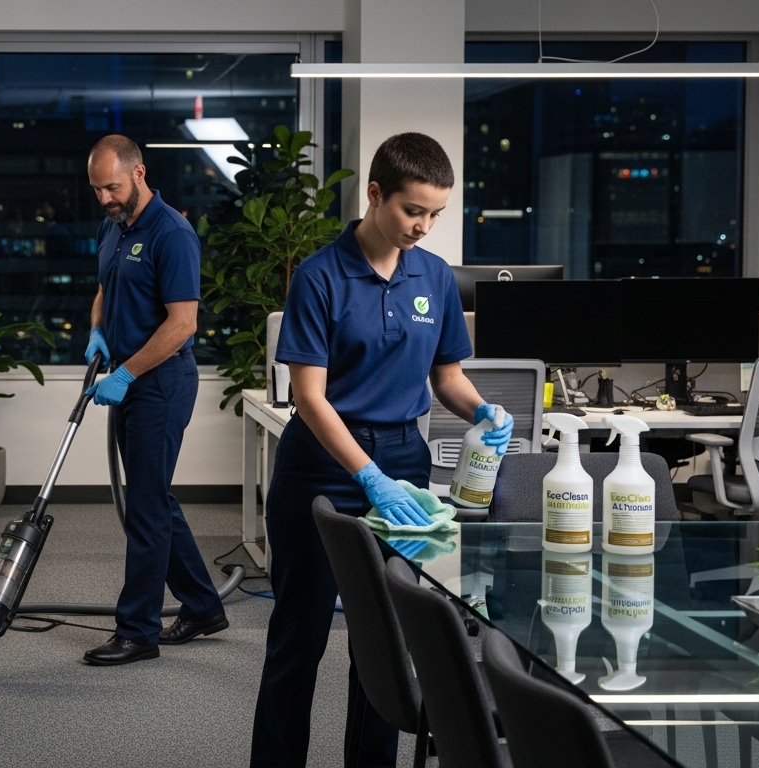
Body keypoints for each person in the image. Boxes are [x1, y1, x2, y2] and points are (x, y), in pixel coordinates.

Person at [250, 133, 513, 767]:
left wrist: (481, 409)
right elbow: (309, 398)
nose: (423, 227)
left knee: (386, 644)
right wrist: (368, 478)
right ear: (375, 195)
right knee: (300, 637)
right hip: (321, 468)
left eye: (435, 214)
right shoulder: (320, 276)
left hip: (405, 463)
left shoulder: (435, 277)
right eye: (413, 210)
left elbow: (445, 376)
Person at [81, 134, 227, 666]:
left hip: (161, 383)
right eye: (97, 189)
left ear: (139, 173)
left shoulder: (172, 233)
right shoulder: (113, 226)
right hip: (128, 377)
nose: (104, 199)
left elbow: (182, 323)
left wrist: (124, 374)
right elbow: (105, 285)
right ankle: (205, 605)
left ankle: (138, 630)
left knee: (144, 506)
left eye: (112, 187)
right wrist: (97, 330)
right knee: (153, 499)